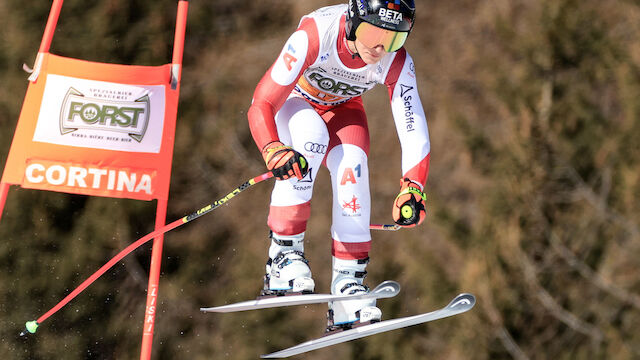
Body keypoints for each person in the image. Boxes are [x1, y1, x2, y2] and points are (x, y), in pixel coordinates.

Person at [247, 0, 429, 332]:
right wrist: (272, 148)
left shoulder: (396, 61)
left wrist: (412, 186)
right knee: (311, 136)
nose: (380, 47)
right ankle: (283, 257)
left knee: (354, 166)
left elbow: (412, 123)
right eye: (374, 32)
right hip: (295, 101)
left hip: (344, 109)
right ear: (353, 20)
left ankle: (348, 288)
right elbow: (262, 102)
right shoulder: (317, 35)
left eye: (394, 39)